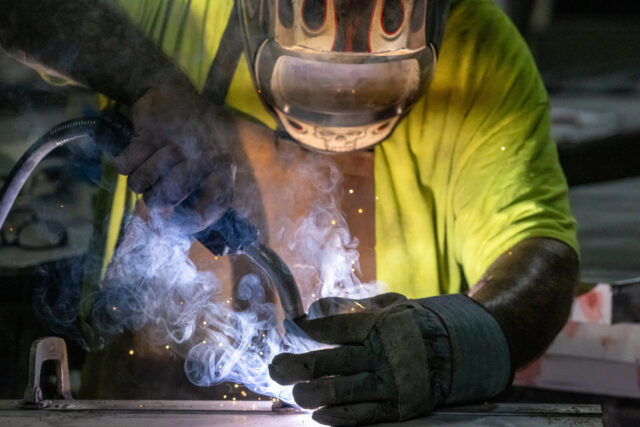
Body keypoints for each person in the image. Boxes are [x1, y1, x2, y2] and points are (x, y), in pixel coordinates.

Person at [0, 0, 579, 425]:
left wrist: (454, 342)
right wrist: (150, 81)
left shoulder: (478, 49)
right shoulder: (186, 12)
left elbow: (541, 254)